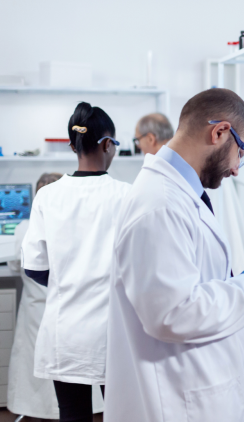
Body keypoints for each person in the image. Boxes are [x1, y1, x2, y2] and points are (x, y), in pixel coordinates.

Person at [104, 88, 244, 422]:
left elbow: (202, 292)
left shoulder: (181, 195)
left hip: (200, 388)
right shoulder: (158, 204)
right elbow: (173, 313)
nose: (237, 169)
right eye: (242, 152)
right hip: (179, 402)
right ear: (219, 132)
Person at [22, 102, 131, 422]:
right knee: (123, 414)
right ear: (108, 144)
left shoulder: (47, 195)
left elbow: (34, 268)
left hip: (65, 333)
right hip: (113, 334)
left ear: (72, 145)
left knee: (72, 414)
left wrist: (68, 280)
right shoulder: (126, 195)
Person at [7, 173, 104, 419]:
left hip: (44, 312)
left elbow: (19, 265)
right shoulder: (74, 222)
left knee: (47, 378)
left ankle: (35, 412)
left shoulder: (24, 227)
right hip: (71, 315)